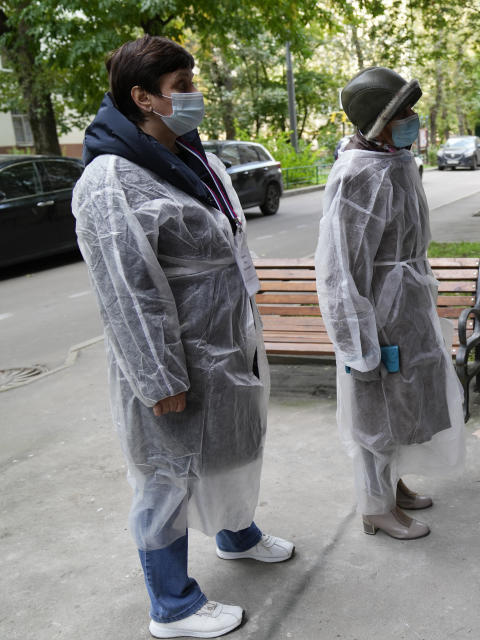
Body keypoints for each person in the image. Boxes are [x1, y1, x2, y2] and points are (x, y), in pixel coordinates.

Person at [72, 36, 293, 638]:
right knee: (167, 473)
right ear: (142, 97)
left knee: (233, 444)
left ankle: (235, 532)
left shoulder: (190, 155)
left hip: (225, 340)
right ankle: (172, 605)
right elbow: (126, 291)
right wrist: (158, 377)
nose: (196, 95)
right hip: (176, 356)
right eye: (182, 87)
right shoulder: (111, 179)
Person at [315, 67, 466, 540]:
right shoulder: (359, 173)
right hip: (379, 312)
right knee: (376, 409)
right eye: (402, 112)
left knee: (401, 404)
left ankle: (391, 486)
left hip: (406, 304)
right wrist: (355, 340)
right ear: (378, 119)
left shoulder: (393, 160)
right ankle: (375, 507)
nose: (412, 119)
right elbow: (340, 268)